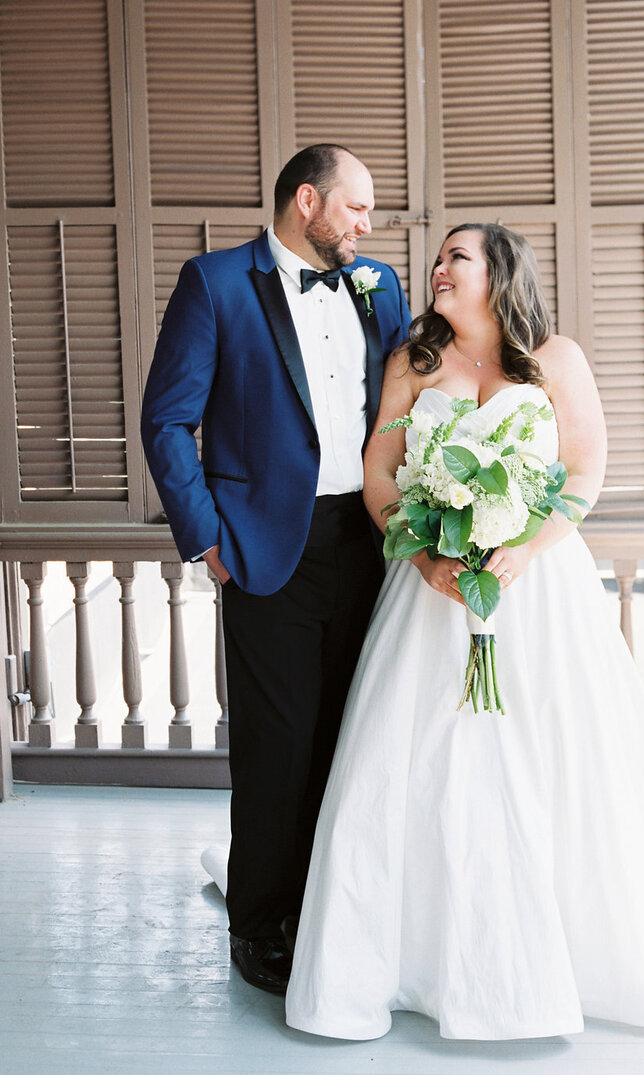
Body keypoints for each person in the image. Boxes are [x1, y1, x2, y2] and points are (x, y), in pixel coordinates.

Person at [280, 223, 644, 1040]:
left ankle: (579, 953)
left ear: (500, 273)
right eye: (438, 258)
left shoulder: (556, 359)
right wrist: (423, 556)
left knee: (557, 757)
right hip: (431, 592)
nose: (439, 269)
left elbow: (585, 469)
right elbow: (379, 471)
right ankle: (402, 957)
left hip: (539, 588)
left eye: (458, 257)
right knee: (416, 760)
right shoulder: (413, 363)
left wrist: (521, 547)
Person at [140, 144, 411, 996]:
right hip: (263, 548)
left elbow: (412, 401)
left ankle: (330, 910)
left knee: (349, 734)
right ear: (307, 201)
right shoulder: (215, 283)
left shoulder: (382, 287)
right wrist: (207, 537)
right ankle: (259, 925)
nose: (369, 224)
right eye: (357, 206)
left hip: (369, 541)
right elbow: (166, 420)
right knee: (277, 745)